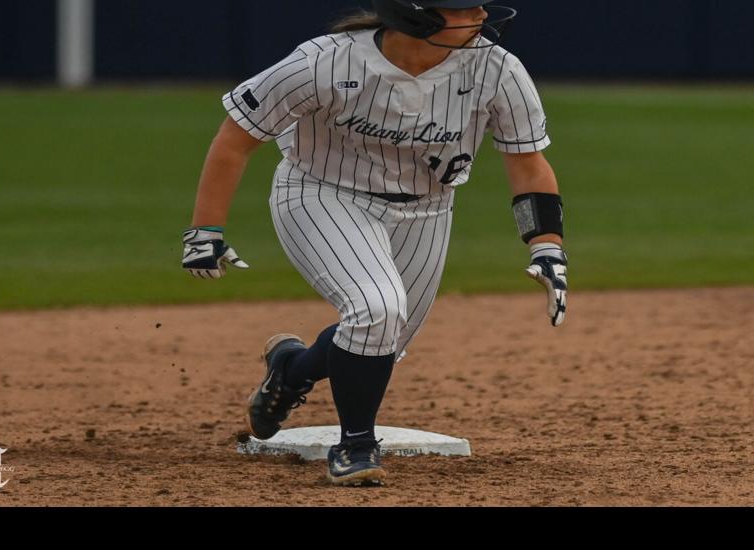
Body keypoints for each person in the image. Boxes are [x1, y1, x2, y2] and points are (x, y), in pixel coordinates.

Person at [181, 0, 568, 486]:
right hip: (321, 193)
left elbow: (527, 161)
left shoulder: (497, 68)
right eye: (462, 10)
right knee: (377, 309)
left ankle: (291, 371)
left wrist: (546, 246)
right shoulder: (325, 61)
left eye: (478, 8)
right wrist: (205, 232)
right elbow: (236, 136)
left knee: (383, 336)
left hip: (428, 210)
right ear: (414, 15)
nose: (480, 19)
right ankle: (356, 446)